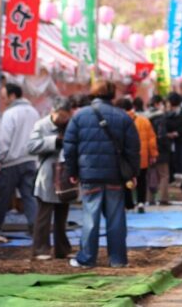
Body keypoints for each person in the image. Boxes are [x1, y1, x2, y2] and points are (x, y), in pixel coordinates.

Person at [63, 80, 139, 268]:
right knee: (116, 218)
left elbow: (69, 147)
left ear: (93, 93)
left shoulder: (80, 117)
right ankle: (118, 259)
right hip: (115, 176)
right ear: (113, 94)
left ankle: (87, 259)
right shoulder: (123, 117)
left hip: (89, 175)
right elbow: (133, 149)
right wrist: (132, 173)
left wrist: (72, 171)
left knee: (90, 217)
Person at [27, 96, 74, 261]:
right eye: (59, 116)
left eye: (65, 116)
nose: (62, 119)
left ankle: (63, 249)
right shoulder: (41, 125)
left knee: (62, 215)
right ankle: (40, 249)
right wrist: (53, 141)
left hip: (66, 174)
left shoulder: (72, 125)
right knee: (43, 215)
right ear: (52, 112)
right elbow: (31, 147)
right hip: (48, 174)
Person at [0, 82, 40, 235]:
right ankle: (35, 228)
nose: (3, 100)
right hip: (31, 159)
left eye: (4, 97)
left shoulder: (10, 114)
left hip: (12, 162)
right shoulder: (34, 112)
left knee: (4, 197)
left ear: (13, 96)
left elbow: (4, 139)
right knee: (29, 196)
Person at [118, 97, 157, 213]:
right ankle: (140, 202)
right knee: (141, 180)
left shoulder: (119, 120)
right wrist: (153, 155)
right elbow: (152, 139)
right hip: (142, 156)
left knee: (126, 180)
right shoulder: (144, 121)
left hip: (125, 158)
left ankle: (128, 203)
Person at [145, 95, 171, 205]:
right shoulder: (160, 118)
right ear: (157, 104)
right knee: (163, 175)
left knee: (150, 174)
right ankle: (163, 198)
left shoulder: (143, 117)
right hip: (159, 150)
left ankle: (149, 198)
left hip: (147, 150)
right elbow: (161, 135)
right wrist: (167, 146)